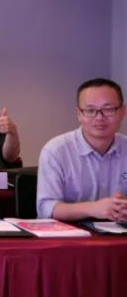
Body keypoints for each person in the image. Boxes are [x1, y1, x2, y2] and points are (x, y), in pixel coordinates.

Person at [36, 78, 127, 221]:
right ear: (79, 114)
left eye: (108, 109)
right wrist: (94, 208)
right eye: (90, 110)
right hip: (68, 233)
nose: (99, 117)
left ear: (123, 111)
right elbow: (45, 208)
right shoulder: (56, 151)